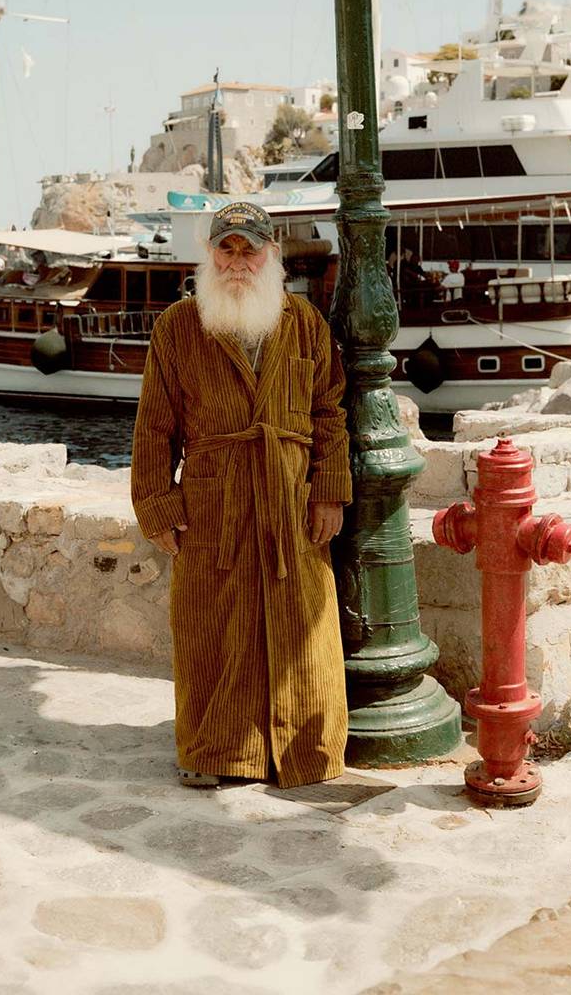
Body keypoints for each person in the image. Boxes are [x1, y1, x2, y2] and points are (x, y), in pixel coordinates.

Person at [130, 201, 352, 790]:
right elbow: (154, 426)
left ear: (271, 255)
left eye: (248, 249)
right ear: (209, 256)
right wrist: (157, 505)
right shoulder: (178, 327)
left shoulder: (304, 321)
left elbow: (329, 411)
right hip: (212, 503)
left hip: (289, 500)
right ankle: (216, 752)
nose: (237, 261)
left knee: (301, 627)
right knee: (213, 628)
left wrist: (329, 490)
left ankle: (305, 752)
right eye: (225, 249)